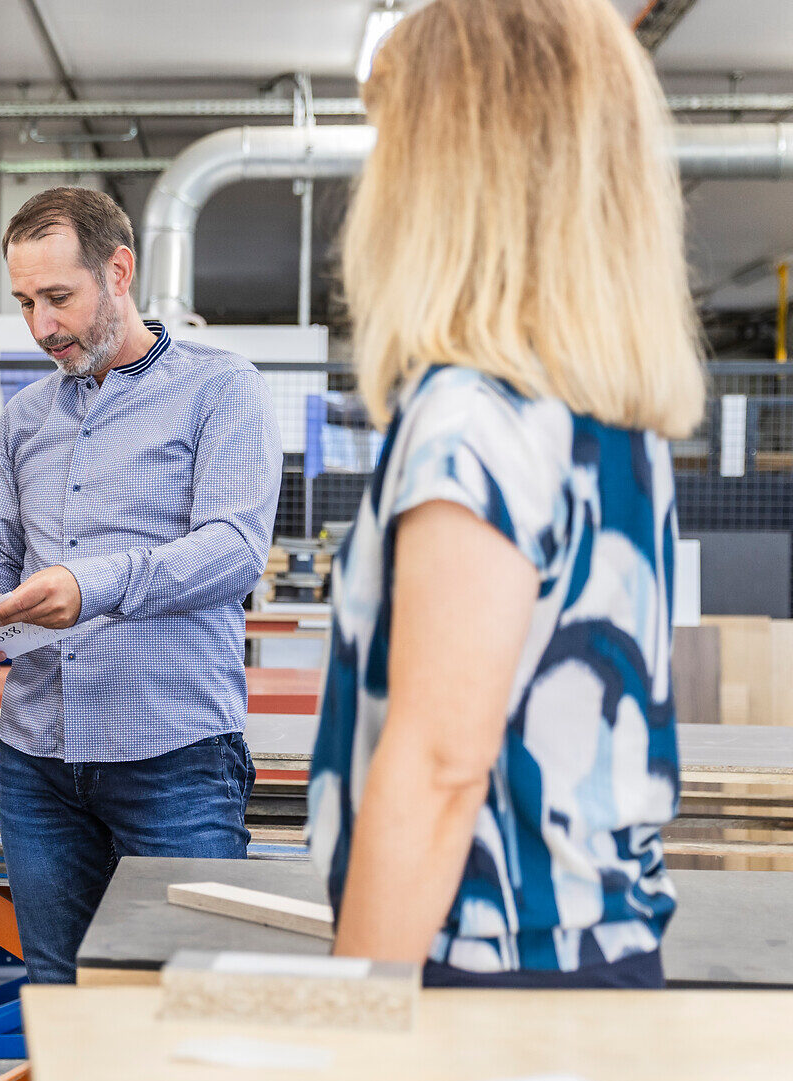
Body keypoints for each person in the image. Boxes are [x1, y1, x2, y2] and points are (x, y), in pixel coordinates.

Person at [308, 0, 705, 988]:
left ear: (445, 171)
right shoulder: (600, 414)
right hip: (593, 954)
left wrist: (350, 1026)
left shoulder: (474, 418)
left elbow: (439, 769)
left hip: (490, 974)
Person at [0, 187, 282, 985]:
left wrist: (94, 583)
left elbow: (236, 548)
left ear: (119, 271)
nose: (42, 326)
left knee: (189, 994)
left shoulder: (221, 388)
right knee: (60, 992)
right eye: (26, 302)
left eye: (59, 297)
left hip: (175, 758)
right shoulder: (25, 417)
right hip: (38, 760)